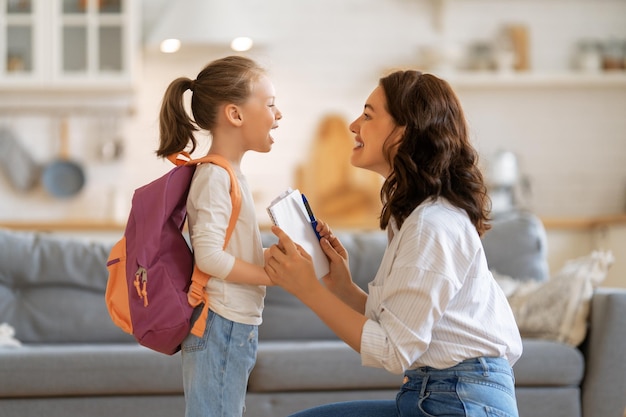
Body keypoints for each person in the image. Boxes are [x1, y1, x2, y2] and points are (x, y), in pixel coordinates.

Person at [264, 70, 523, 417]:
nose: (354, 125)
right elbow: (398, 329)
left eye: (368, 115)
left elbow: (391, 351)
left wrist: (308, 289)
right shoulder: (415, 219)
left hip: (459, 400)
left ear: (404, 132)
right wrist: (339, 286)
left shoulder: (432, 226)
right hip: (440, 394)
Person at [156, 55, 282, 417]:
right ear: (235, 115)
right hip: (221, 320)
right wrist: (268, 276)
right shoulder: (215, 177)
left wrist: (267, 259)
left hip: (231, 321)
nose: (278, 114)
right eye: (270, 104)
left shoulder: (228, 173)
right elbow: (209, 257)